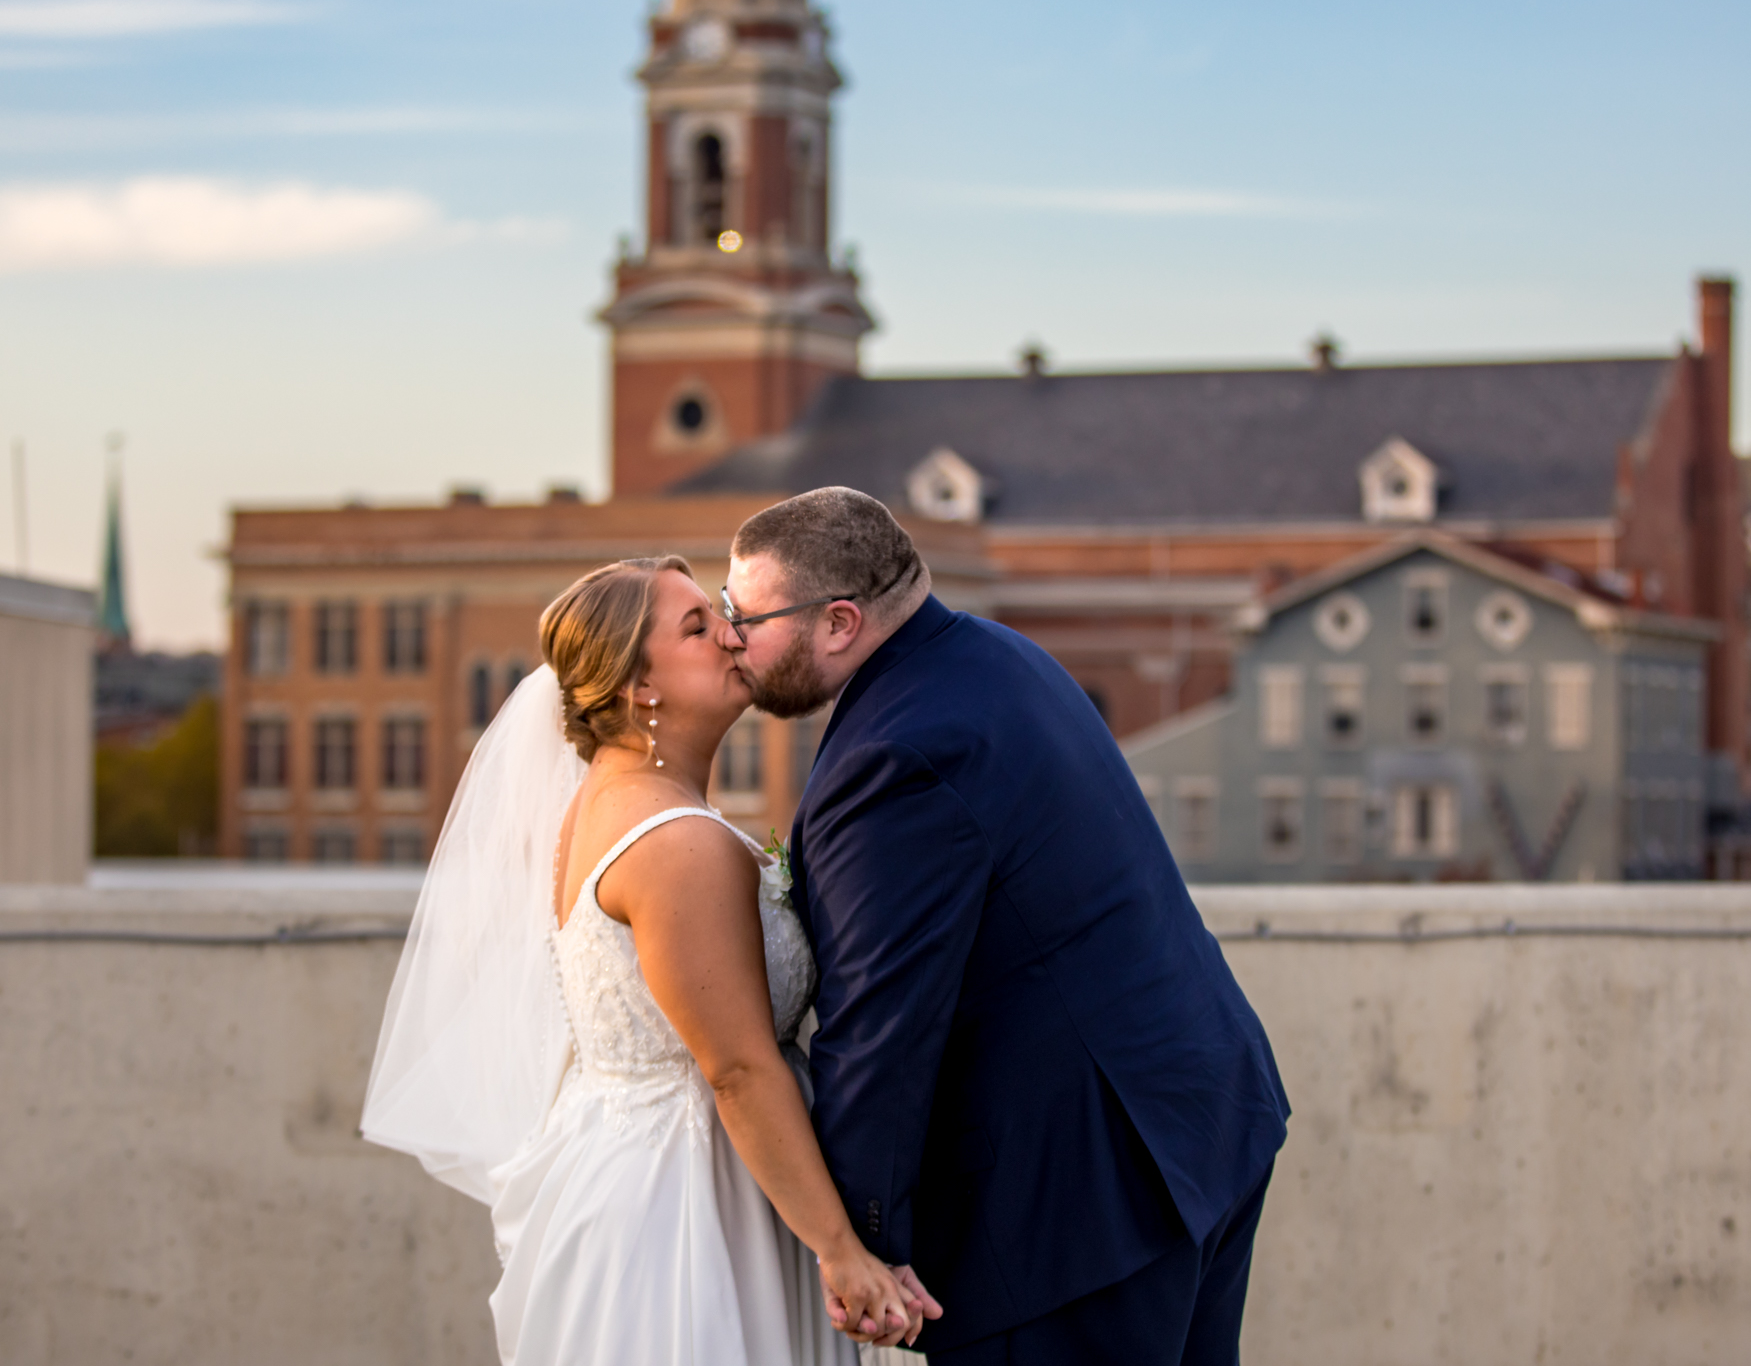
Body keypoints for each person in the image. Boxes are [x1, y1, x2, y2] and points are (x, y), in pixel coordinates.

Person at [717, 487, 1290, 1366]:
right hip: (1200, 1122)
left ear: (838, 623)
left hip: (1080, 1204)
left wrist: (860, 1237)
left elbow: (884, 1024)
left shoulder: (894, 755)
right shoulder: (993, 657)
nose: (730, 636)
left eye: (745, 614)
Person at [362, 554, 939, 1366]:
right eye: (698, 627)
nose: (732, 637)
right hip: (688, 1211)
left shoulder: (603, 804)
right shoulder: (676, 844)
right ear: (641, 687)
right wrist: (842, 1249)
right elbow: (736, 1068)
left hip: (626, 1169)